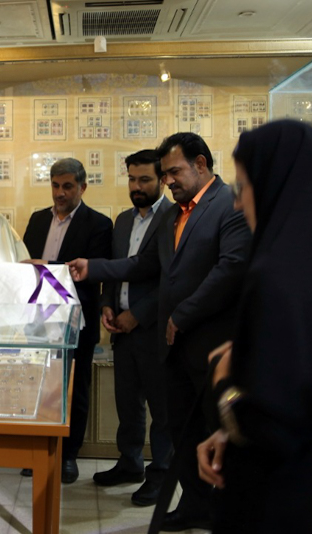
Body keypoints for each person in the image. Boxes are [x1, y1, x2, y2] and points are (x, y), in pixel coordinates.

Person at [196, 120, 312, 533]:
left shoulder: (277, 278)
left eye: (242, 188)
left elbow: (271, 423)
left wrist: (223, 380)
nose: (237, 205)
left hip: (286, 501)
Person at [69, 132, 251, 531]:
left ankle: (227, 511)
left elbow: (231, 269)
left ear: (201, 164)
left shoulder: (229, 205)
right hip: (174, 349)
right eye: (165, 173)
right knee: (185, 432)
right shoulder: (173, 215)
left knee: (219, 435)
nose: (167, 181)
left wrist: (182, 314)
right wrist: (93, 267)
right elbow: (144, 265)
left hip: (211, 347)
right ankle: (194, 506)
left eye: (174, 172)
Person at [22, 157, 113, 484]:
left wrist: (45, 267)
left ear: (82, 187)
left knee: (76, 389)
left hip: (77, 321)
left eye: (68, 186)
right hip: (38, 320)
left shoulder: (99, 224)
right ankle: (39, 449)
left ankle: (69, 454)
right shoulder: (37, 220)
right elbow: (25, 268)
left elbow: (89, 276)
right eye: (55, 185)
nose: (60, 193)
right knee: (39, 386)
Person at [92, 150, 174, 507]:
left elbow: (170, 278)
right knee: (127, 403)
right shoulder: (123, 220)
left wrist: (138, 314)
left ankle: (161, 475)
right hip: (122, 330)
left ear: (162, 180)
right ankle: (130, 463)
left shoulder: (174, 217)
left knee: (162, 410)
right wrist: (107, 304)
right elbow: (115, 268)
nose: (136, 186)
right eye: (131, 179)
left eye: (145, 180)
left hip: (154, 329)